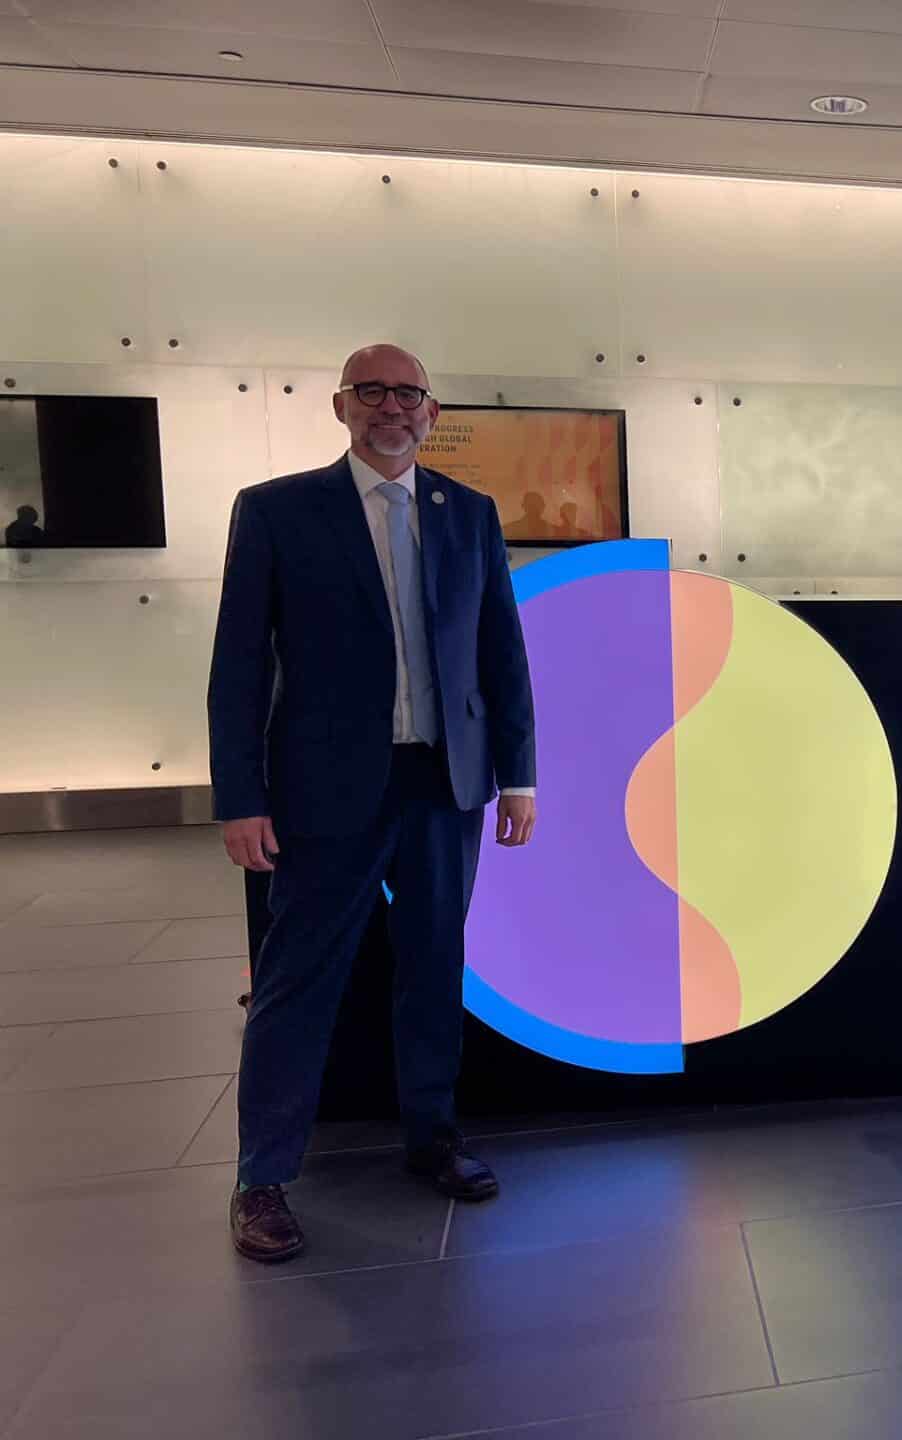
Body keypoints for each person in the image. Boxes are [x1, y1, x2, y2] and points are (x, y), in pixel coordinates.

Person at [208, 344, 537, 1264]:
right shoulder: (277, 511)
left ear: (431, 413)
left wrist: (520, 777)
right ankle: (262, 1177)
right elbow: (239, 665)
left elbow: (500, 654)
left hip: (445, 785)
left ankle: (431, 1137)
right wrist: (241, 795)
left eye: (409, 394)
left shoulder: (468, 514)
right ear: (342, 406)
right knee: (296, 981)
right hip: (323, 792)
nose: (391, 407)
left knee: (433, 968)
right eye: (373, 391)